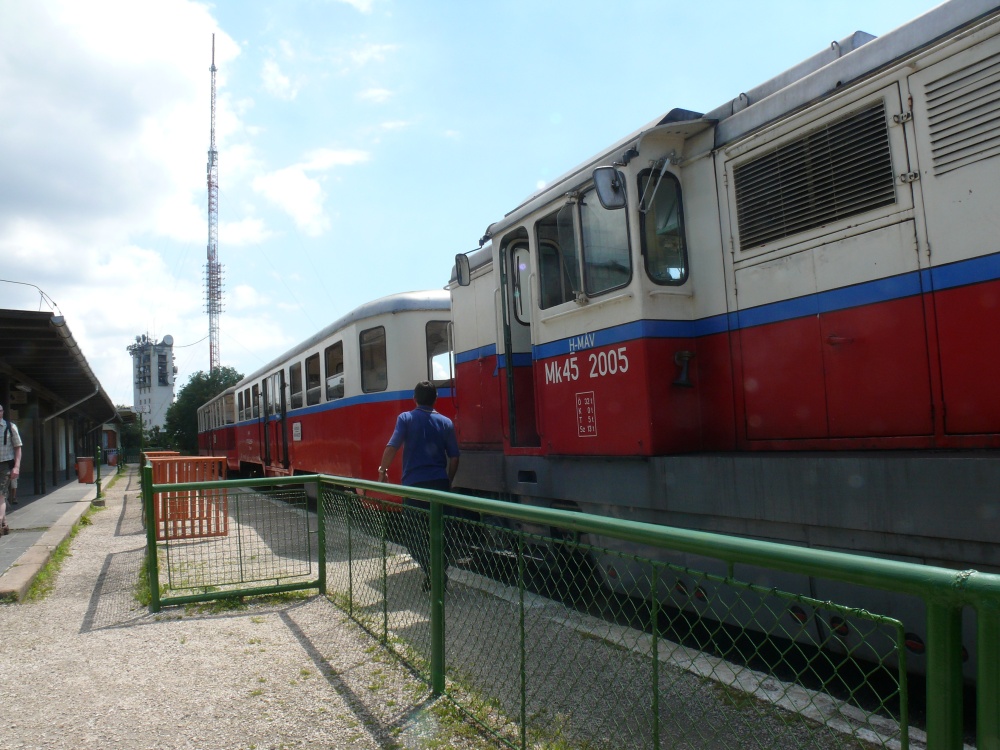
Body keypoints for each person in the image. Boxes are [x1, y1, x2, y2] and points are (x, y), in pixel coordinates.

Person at [378, 381, 459, 589]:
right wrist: (448, 480)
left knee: (415, 535)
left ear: (414, 398)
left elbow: (392, 446)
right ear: (436, 399)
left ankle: (431, 572)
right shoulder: (446, 422)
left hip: (414, 487)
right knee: (442, 532)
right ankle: (438, 572)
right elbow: (455, 457)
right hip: (440, 486)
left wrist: (383, 471)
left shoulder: (405, 418)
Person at [0, 404, 23, 536]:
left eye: (0, 411)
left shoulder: (10, 427)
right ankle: (4, 523)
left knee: (1, 494)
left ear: (3, 412)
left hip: (5, 465)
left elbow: (18, 447)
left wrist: (16, 467)